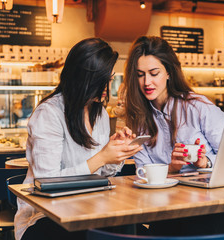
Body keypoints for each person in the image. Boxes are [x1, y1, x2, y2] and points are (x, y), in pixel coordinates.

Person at [14, 38, 142, 240]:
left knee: (133, 227)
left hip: (90, 209)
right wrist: (101, 157)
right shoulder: (49, 113)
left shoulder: (98, 113)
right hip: (45, 217)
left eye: (109, 79)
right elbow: (47, 182)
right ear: (82, 78)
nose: (107, 88)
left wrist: (116, 153)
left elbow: (103, 172)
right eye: (102, 81)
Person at [123, 36, 224, 236]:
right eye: (140, 75)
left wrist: (204, 161)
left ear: (169, 72)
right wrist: (171, 168)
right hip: (169, 209)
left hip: (216, 206)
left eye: (154, 73)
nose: (147, 82)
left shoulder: (198, 107)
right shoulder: (138, 120)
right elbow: (143, 173)